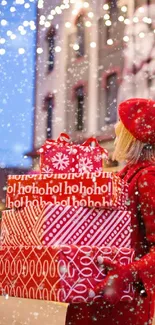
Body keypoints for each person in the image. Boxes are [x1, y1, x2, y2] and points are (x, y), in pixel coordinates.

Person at [65, 98, 155, 325]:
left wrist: (129, 272)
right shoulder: (122, 176)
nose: (116, 133)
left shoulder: (147, 177)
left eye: (121, 127)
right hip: (94, 296)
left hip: (119, 304)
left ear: (132, 137)